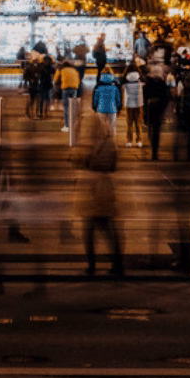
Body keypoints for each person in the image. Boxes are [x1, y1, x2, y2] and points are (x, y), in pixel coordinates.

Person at [77, 114, 124, 278]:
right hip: (105, 187)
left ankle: (91, 265)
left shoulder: (88, 144)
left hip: (90, 188)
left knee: (89, 230)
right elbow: (114, 166)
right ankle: (117, 263)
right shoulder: (110, 142)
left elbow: (79, 161)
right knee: (107, 228)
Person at [143, 65, 169, 161]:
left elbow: (145, 95)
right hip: (159, 109)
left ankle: (152, 144)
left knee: (151, 127)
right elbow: (166, 96)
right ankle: (155, 151)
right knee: (156, 130)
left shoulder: (148, 83)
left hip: (150, 109)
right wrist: (163, 107)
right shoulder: (163, 83)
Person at [91, 63, 122, 133]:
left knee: (102, 129)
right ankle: (112, 141)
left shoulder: (98, 85)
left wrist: (94, 107)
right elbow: (118, 98)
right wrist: (119, 108)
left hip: (101, 108)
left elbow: (95, 98)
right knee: (112, 128)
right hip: (113, 109)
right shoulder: (115, 85)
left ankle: (104, 142)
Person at [53, 55, 81, 132]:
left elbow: (55, 80)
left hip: (65, 88)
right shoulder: (74, 70)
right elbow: (78, 81)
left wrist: (57, 85)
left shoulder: (61, 69)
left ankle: (67, 126)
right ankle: (73, 125)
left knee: (66, 107)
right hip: (74, 89)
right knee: (73, 107)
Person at [121, 59, 144, 148]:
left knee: (129, 123)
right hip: (139, 103)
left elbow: (122, 88)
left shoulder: (125, 81)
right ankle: (139, 140)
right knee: (138, 123)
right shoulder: (140, 80)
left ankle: (129, 141)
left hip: (129, 103)